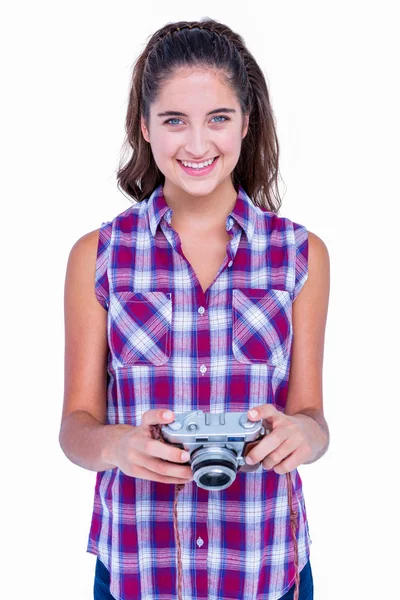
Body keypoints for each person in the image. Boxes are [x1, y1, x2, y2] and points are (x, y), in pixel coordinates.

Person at [59, 17, 330, 600]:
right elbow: (75, 427)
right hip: (139, 569)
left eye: (219, 119)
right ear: (145, 128)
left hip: (266, 565)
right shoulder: (99, 257)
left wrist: (302, 435)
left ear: (246, 124)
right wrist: (116, 445)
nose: (199, 144)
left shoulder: (300, 256)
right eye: (175, 121)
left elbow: (313, 415)